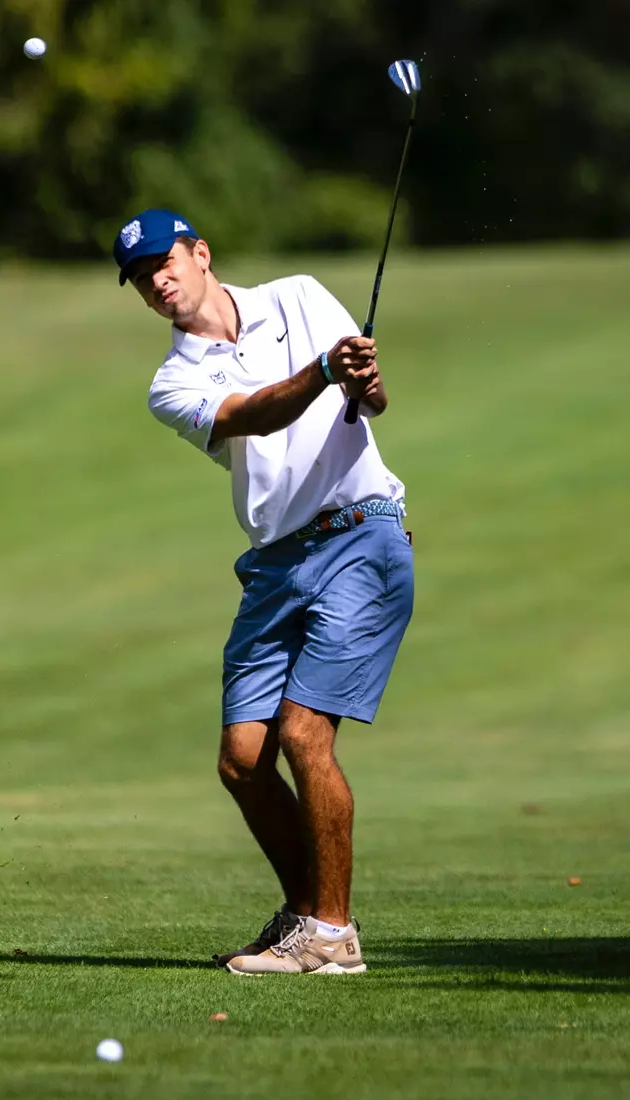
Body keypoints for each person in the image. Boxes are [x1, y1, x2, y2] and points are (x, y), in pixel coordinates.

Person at [114, 209, 415, 975]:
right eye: (141, 276)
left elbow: (369, 403)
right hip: (275, 563)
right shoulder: (172, 382)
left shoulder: (300, 297)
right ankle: (302, 913)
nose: (157, 280)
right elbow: (253, 412)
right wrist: (323, 371)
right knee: (242, 760)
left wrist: (363, 379)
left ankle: (332, 935)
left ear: (201, 253)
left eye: (164, 261)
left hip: (359, 532)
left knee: (303, 735)